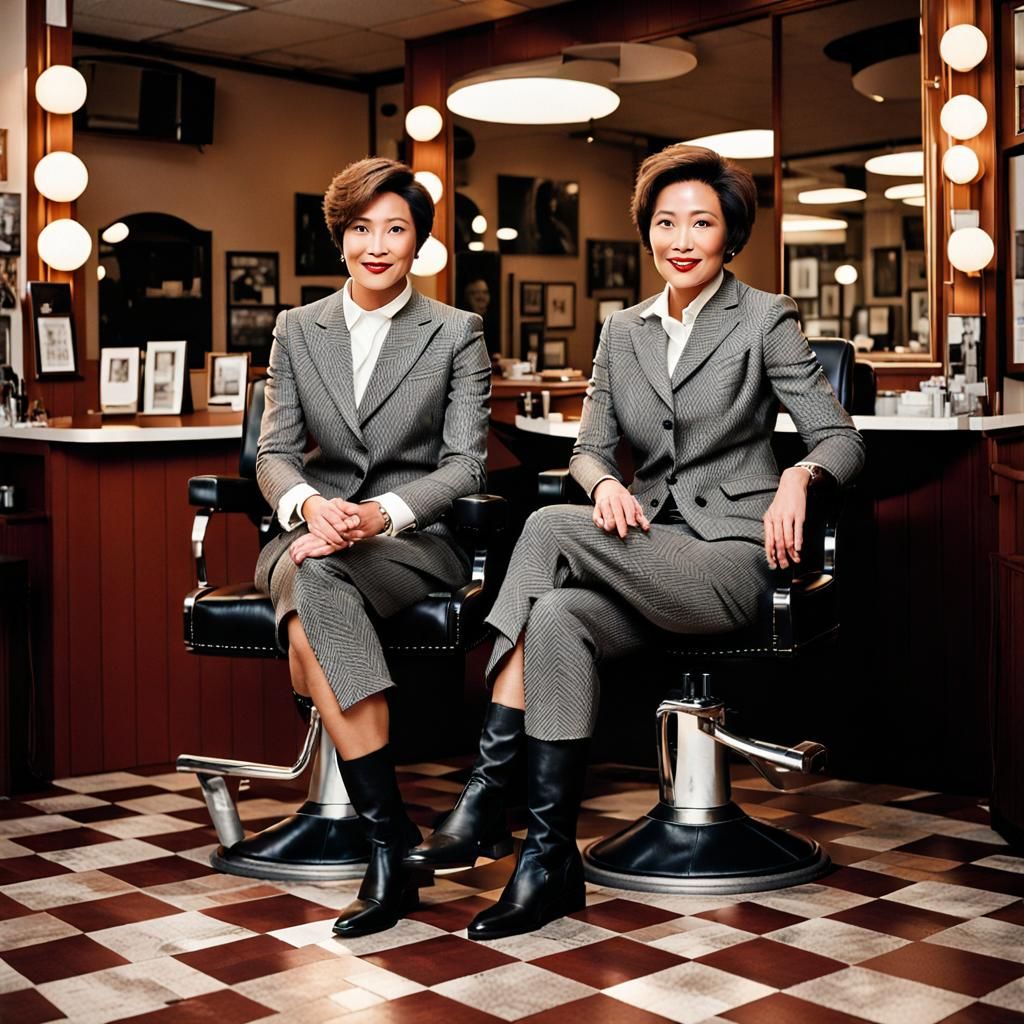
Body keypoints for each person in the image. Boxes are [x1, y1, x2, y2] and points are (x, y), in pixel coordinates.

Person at [406, 143, 865, 939]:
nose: (681, 238)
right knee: (555, 621)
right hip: (645, 549)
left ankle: (486, 792)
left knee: (547, 525)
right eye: (665, 222)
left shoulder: (764, 317)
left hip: (730, 559)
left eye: (701, 222)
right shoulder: (623, 330)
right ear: (647, 232)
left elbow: (841, 439)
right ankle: (546, 865)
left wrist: (798, 479)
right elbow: (588, 448)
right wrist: (606, 483)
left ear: (730, 235)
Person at [252, 157, 491, 938]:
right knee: (312, 577)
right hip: (311, 527)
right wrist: (313, 506)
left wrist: (380, 515)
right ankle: (394, 843)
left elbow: (464, 464)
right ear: (340, 239)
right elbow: (274, 452)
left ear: (419, 243)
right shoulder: (298, 327)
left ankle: (387, 847)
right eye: (362, 229)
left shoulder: (456, 332)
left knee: (305, 606)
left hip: (410, 541)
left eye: (396, 229)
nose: (377, 245)